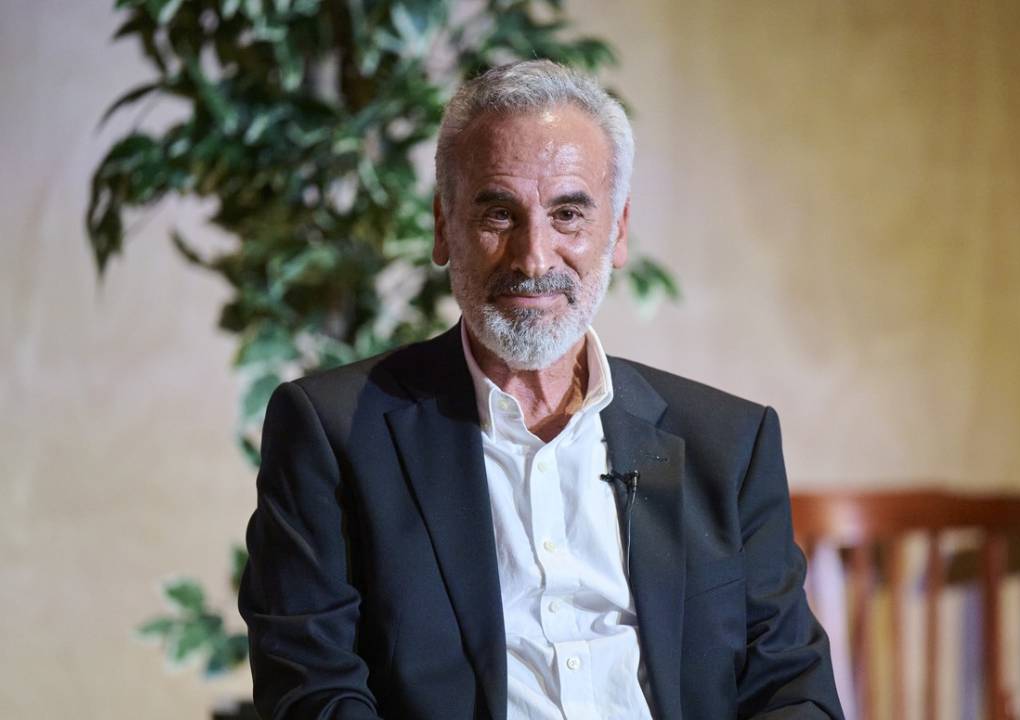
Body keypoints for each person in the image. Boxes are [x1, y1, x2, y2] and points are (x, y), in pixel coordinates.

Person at [238, 59, 842, 720]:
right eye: (500, 214)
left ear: (617, 231)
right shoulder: (333, 432)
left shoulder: (726, 445)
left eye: (568, 214)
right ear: (443, 227)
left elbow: (792, 689)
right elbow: (313, 694)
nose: (534, 258)